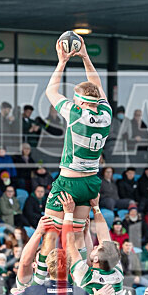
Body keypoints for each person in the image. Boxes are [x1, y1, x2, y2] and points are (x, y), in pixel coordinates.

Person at [41, 36, 111, 261]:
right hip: (91, 182)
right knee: (79, 236)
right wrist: (85, 56)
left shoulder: (76, 113)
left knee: (51, 233)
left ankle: (43, 279)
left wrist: (62, 61)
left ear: (79, 101)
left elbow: (51, 91)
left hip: (70, 180)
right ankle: (79, 279)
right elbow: (97, 86)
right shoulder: (106, 114)